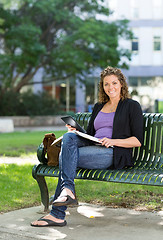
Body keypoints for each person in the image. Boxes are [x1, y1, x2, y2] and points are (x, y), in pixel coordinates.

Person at [31, 66, 143, 227]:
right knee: (69, 136)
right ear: (102, 87)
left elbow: (137, 140)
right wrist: (77, 130)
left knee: (66, 156)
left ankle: (58, 212)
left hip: (111, 152)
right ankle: (66, 194)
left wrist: (113, 141)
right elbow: (91, 134)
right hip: (93, 146)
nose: (110, 87)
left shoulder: (131, 106)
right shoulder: (99, 106)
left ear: (122, 84)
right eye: (106, 84)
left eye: (114, 83)